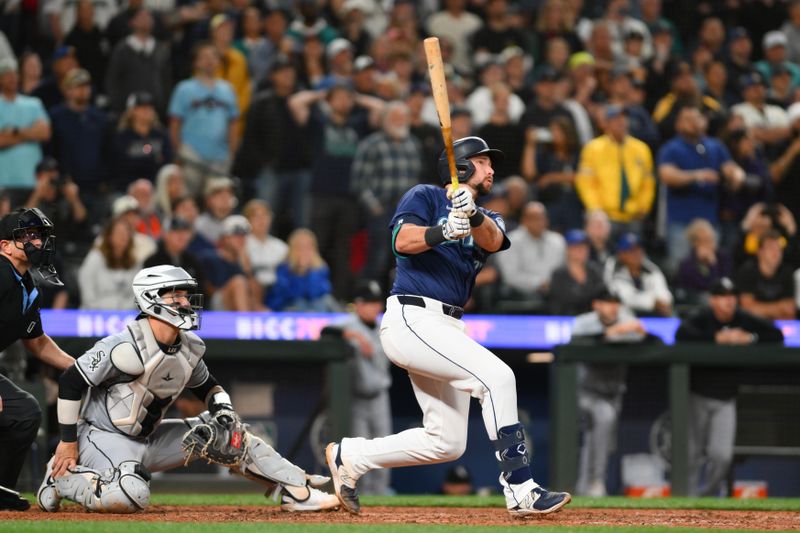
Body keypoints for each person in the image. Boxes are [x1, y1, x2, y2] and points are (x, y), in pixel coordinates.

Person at [325, 136, 571, 517]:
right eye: (484, 162)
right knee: (498, 378)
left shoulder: (489, 216)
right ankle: (520, 488)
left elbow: (492, 239)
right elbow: (401, 242)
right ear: (462, 167)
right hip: (413, 317)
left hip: (448, 326)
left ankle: (351, 456)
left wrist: (470, 215)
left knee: (445, 442)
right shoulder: (423, 195)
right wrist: (442, 230)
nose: (491, 170)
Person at [36, 264, 339, 514]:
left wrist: (223, 411)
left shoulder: (189, 347)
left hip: (148, 440)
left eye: (185, 295)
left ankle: (297, 491)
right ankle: (61, 478)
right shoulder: (123, 345)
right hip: (102, 437)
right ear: (151, 299)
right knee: (131, 495)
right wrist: (67, 443)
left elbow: (209, 387)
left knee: (229, 434)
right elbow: (71, 380)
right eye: (176, 296)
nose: (184, 302)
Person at [675, 277, 784, 496]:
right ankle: (686, 502)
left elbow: (776, 335)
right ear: (713, 300)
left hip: (726, 398)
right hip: (697, 394)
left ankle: (707, 498)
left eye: (731, 297)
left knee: (722, 456)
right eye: (723, 297)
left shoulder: (742, 319)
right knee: (692, 453)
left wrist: (750, 338)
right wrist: (717, 338)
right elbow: (681, 335)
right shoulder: (702, 318)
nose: (728, 302)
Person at [0, 208, 75, 511]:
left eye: (39, 235)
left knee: (26, 411)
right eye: (26, 236)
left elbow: (38, 342)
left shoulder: (26, 285)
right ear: (4, 245)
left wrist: (78, 367)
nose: (37, 242)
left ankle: (2, 489)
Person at [570, 287, 649, 497]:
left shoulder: (626, 319)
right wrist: (613, 333)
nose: (612, 307)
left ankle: (583, 485)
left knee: (598, 438)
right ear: (596, 304)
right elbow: (579, 343)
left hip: (613, 391)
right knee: (600, 424)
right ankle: (595, 482)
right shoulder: (583, 322)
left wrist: (631, 331)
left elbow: (648, 339)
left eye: (615, 303)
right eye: (607, 302)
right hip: (585, 390)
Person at [333, 280, 393, 496]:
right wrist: (352, 336)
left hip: (379, 397)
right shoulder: (348, 325)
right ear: (358, 304)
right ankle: (365, 495)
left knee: (384, 450)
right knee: (361, 449)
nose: (374, 307)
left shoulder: (386, 327)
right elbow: (322, 332)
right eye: (369, 302)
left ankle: (381, 494)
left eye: (376, 302)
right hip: (356, 398)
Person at [575, 106, 655, 238]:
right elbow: (585, 182)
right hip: (605, 216)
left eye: (623, 118)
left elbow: (648, 182)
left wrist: (643, 207)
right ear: (606, 123)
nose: (621, 122)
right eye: (615, 118)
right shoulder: (593, 148)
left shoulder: (641, 149)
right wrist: (595, 209)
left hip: (633, 216)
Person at [78, 216, 142, 309]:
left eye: (126, 233)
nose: (123, 236)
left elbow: (138, 295)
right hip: (94, 315)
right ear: (109, 236)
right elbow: (88, 295)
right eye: (119, 233)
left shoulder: (134, 262)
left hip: (125, 316)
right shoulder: (95, 258)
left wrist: (122, 311)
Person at [266, 228, 338, 312]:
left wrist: (308, 271)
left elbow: (318, 292)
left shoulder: (321, 269)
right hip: (291, 309)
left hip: (316, 308)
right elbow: (284, 295)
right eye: (300, 246)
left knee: (325, 301)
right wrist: (300, 271)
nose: (304, 250)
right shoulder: (283, 269)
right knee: (299, 303)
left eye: (308, 246)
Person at [604, 232, 673, 317]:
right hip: (623, 314)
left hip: (652, 311)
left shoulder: (648, 267)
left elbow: (662, 290)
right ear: (621, 254)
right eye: (631, 250)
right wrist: (653, 302)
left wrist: (663, 302)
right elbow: (626, 297)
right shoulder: (613, 266)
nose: (637, 253)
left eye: (639, 249)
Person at [549, 229, 605, 315]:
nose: (582, 250)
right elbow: (562, 302)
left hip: (593, 321)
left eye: (585, 246)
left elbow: (602, 296)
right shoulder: (559, 274)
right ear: (568, 249)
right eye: (577, 246)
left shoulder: (594, 271)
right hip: (566, 320)